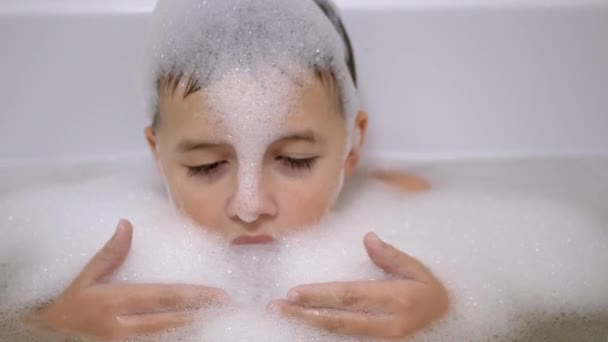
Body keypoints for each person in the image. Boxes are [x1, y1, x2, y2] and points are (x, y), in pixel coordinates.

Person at [29, 0, 449, 339]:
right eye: (205, 165)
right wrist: (58, 320)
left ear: (352, 147)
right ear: (158, 156)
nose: (249, 207)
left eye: (295, 159)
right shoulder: (93, 250)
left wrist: (443, 311)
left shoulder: (411, 209)